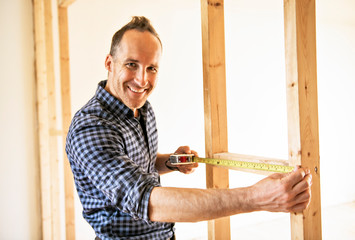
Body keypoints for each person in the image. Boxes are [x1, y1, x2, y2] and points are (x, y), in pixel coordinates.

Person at [66, 16, 312, 240]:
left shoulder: (143, 110)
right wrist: (256, 198)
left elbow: (137, 165)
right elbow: (147, 201)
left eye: (151, 68)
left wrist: (170, 162)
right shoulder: (90, 127)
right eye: (131, 64)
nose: (142, 80)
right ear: (109, 63)